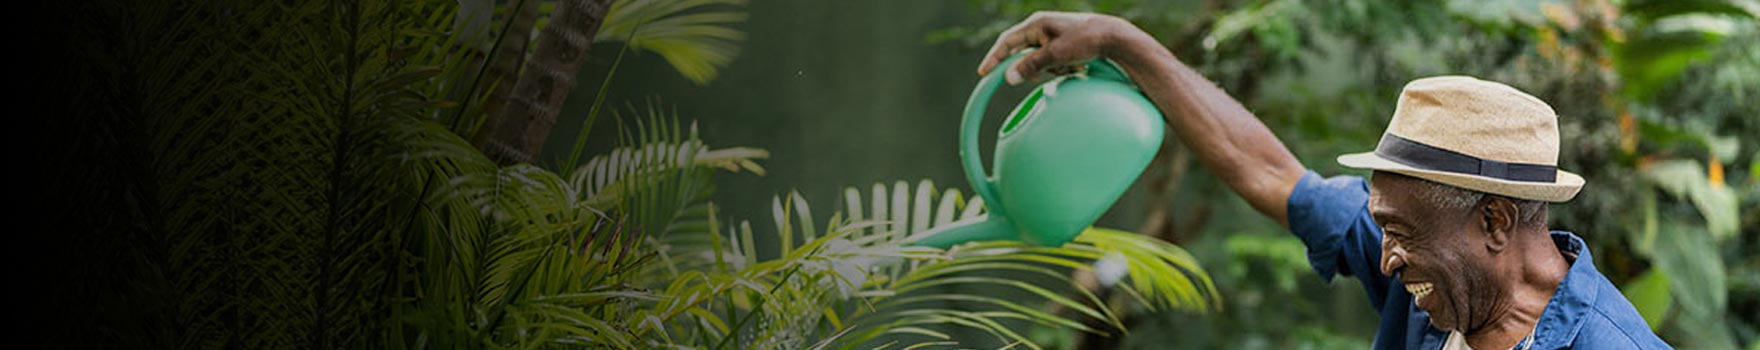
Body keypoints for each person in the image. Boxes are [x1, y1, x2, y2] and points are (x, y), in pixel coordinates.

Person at [974, 12, 1672, 350]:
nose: (1385, 254)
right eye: (1383, 226)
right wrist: (1121, 42)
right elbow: (1269, 170)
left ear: (1492, 222)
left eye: (1399, 233)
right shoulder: (1448, 275)